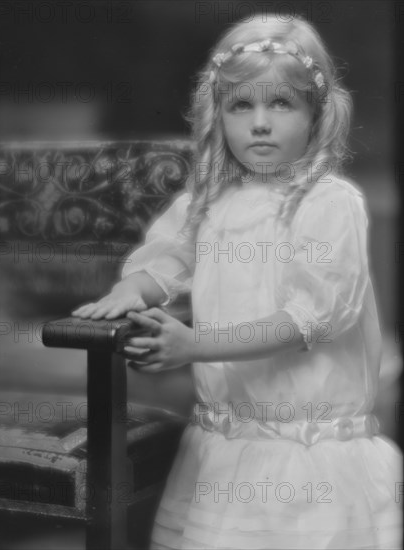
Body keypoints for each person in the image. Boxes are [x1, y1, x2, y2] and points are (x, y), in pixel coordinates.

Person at [72, 14, 402, 550]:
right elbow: (168, 259)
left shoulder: (329, 204)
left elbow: (306, 321)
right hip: (225, 446)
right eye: (241, 105)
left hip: (308, 457)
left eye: (281, 104)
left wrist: (194, 345)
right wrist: (131, 291)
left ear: (316, 115)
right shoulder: (208, 202)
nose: (261, 123)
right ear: (218, 114)